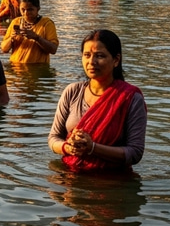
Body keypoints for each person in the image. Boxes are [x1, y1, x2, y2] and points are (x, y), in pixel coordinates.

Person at [48, 29, 146, 171]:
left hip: (112, 180)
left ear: (116, 60)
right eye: (87, 55)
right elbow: (54, 137)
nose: (91, 62)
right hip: (70, 176)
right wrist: (68, 147)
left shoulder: (130, 98)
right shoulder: (72, 91)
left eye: (99, 56)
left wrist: (93, 148)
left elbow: (135, 153)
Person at [0, 0, 59, 64]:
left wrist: (36, 38)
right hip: (15, 68)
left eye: (30, 9)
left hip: (37, 68)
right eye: (23, 9)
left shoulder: (46, 24)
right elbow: (4, 49)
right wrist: (12, 38)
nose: (26, 13)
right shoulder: (16, 22)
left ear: (38, 9)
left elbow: (53, 49)